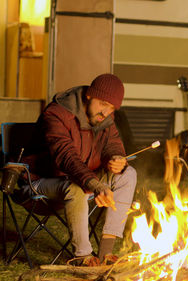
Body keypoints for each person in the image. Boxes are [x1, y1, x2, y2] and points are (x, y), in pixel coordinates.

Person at [20, 73, 137, 266]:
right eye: (102, 103)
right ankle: (83, 256)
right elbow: (66, 156)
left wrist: (116, 158)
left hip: (81, 178)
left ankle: (106, 253)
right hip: (41, 180)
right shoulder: (57, 113)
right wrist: (93, 183)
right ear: (89, 95)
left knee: (128, 174)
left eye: (111, 107)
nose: (106, 112)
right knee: (75, 187)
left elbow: (112, 144)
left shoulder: (105, 119)